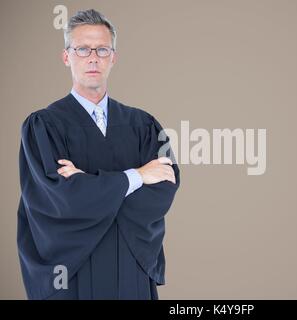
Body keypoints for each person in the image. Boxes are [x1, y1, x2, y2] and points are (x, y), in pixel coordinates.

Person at [17, 9, 180, 300]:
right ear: (67, 56)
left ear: (113, 57)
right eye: (82, 49)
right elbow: (61, 199)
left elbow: (164, 188)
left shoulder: (143, 124)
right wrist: (138, 176)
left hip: (131, 268)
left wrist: (89, 188)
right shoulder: (43, 126)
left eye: (102, 49)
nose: (93, 57)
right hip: (73, 274)